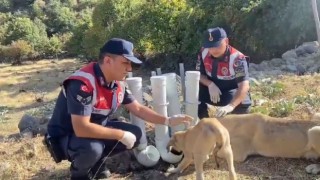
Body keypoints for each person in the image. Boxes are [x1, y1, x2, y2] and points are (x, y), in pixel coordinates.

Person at [45, 38, 192, 180]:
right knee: (93, 148)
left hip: (93, 130)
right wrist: (120, 134)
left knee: (136, 133)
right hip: (66, 135)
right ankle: (79, 174)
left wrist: (167, 120)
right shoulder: (82, 84)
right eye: (125, 63)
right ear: (108, 60)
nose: (129, 69)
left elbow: (138, 109)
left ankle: (97, 162)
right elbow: (81, 128)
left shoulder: (117, 84)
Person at [196, 27, 252, 119]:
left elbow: (244, 85)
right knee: (193, 89)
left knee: (242, 106)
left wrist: (231, 106)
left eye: (217, 45)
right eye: (210, 46)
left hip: (231, 90)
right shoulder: (203, 52)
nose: (213, 50)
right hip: (212, 89)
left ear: (226, 41)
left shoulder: (237, 58)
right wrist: (210, 84)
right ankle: (204, 121)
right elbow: (198, 75)